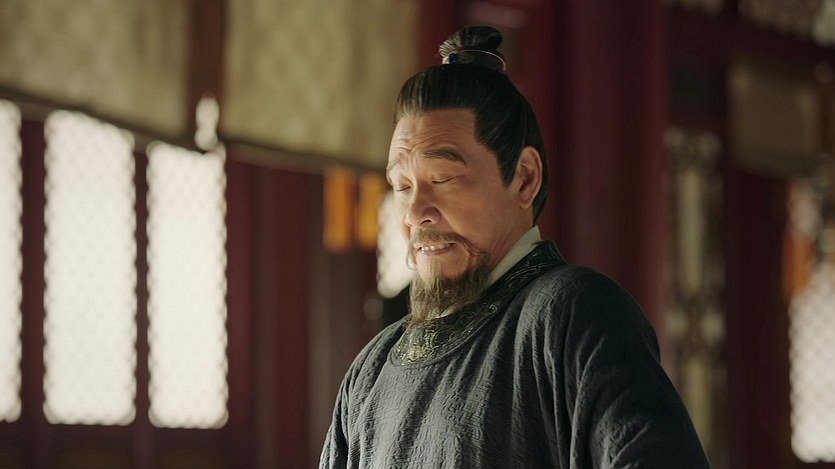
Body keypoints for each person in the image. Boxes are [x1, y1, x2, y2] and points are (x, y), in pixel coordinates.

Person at [320, 26, 710, 468]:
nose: (414, 214)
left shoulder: (574, 314)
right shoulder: (370, 370)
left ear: (524, 178)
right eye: (402, 186)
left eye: (442, 179)